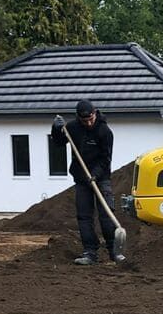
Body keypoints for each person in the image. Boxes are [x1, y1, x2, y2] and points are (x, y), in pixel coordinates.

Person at [51, 100, 122, 265]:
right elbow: (59, 142)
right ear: (79, 118)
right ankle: (90, 252)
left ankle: (114, 251)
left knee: (106, 215)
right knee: (84, 216)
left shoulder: (104, 131)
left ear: (95, 114)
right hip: (82, 179)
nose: (89, 123)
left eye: (91, 119)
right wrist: (56, 129)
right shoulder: (73, 128)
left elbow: (106, 159)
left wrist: (95, 175)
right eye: (85, 121)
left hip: (101, 178)